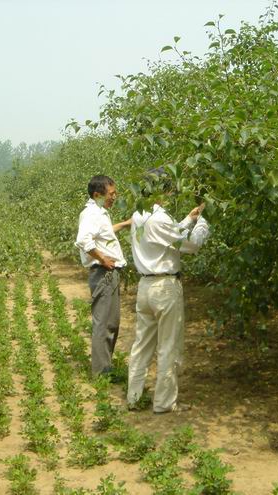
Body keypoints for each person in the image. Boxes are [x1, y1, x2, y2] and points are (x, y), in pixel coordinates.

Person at [127, 171, 210, 413]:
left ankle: (134, 397)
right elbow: (190, 245)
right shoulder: (160, 218)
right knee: (168, 346)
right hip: (164, 288)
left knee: (142, 345)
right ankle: (164, 403)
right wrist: (204, 221)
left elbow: (166, 237)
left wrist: (188, 219)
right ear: (164, 190)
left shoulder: (138, 214)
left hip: (145, 287)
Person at [75, 175, 131, 377]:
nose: (114, 197)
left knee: (111, 322)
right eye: (111, 194)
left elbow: (103, 233)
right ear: (97, 195)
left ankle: (105, 367)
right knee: (104, 322)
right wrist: (103, 259)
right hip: (103, 273)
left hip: (108, 273)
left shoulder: (99, 213)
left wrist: (124, 224)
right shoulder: (92, 213)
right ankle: (101, 372)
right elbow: (83, 240)